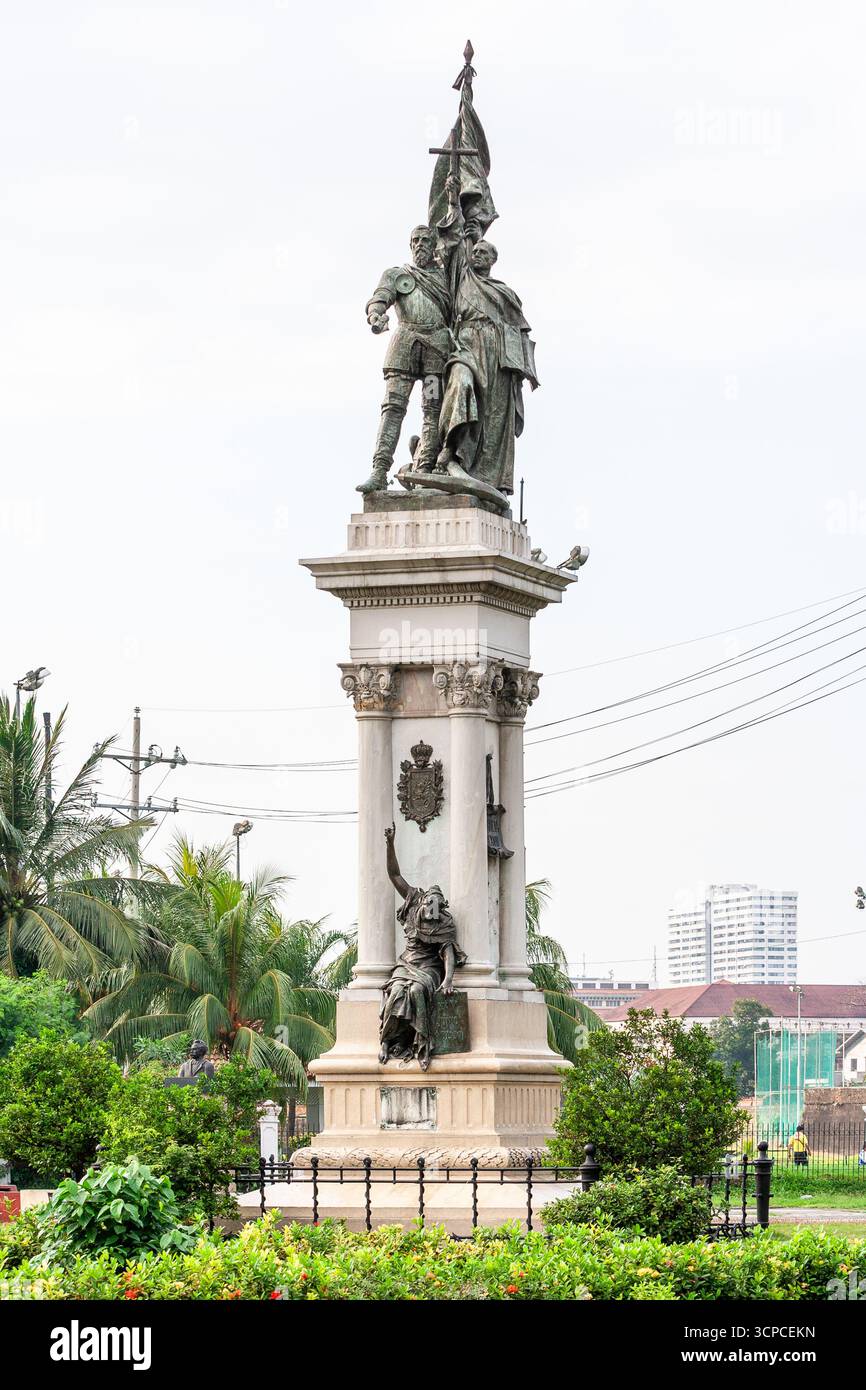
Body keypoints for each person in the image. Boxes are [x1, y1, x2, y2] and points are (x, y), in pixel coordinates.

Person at [434, 174, 538, 497]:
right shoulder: (462, 275)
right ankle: (449, 451)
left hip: (496, 359)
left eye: (483, 254)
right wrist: (454, 200)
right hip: (466, 346)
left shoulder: (504, 294)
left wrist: (526, 372)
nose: (477, 255)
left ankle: (472, 468)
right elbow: (455, 242)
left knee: (493, 417)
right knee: (462, 383)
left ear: (492, 261)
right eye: (474, 251)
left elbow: (521, 334)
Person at [356, 226, 452, 494]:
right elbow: (380, 298)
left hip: (435, 350)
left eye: (425, 240)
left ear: (434, 246)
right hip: (404, 349)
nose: (419, 245)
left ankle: (424, 470)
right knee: (393, 408)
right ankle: (379, 471)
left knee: (432, 409)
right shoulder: (397, 274)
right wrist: (376, 315)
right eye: (415, 240)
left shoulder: (446, 278)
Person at [378, 824, 466, 1070]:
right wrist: (390, 844)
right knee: (396, 990)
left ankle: (422, 1044)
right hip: (407, 963)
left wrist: (448, 980)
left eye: (437, 906)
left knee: (416, 991)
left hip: (428, 968)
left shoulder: (444, 922)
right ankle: (388, 1040)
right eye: (430, 903)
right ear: (424, 900)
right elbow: (394, 875)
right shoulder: (414, 900)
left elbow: (448, 952)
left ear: (442, 906)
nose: (432, 910)